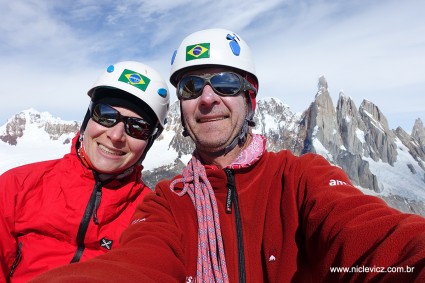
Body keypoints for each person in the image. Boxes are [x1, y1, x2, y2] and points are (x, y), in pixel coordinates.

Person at [31, 29, 425, 283]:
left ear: (250, 99)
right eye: (190, 86)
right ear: (182, 110)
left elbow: (375, 241)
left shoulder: (300, 178)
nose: (207, 98)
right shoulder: (167, 203)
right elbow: (137, 265)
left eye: (225, 82)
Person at [0, 60, 170, 282]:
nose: (116, 135)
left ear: (149, 141)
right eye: (106, 115)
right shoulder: (17, 186)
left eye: (137, 127)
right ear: (88, 118)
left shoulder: (150, 214)